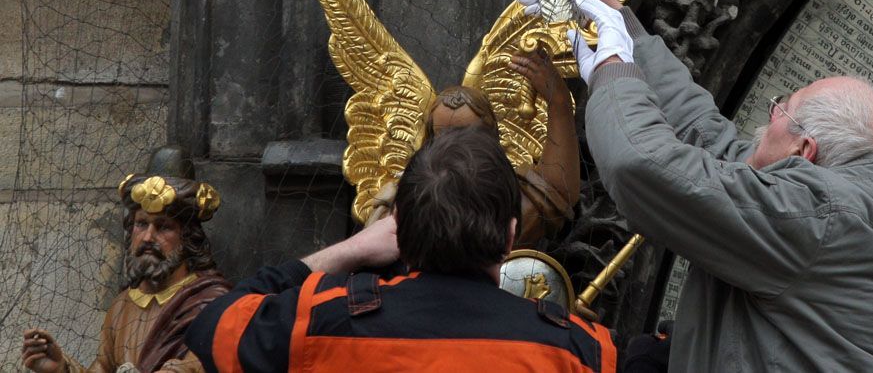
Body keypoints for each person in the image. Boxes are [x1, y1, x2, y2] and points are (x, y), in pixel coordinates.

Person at [511, 0, 873, 371]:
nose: (770, 113)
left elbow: (639, 166)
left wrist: (612, 65)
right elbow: (708, 139)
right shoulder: (840, 208)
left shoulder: (823, 221)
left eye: (782, 109)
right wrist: (615, 17)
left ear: (805, 152)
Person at [185, 126, 616, 372]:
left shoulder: (323, 322)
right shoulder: (578, 350)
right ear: (510, 236)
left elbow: (211, 325)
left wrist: (345, 251)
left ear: (400, 230)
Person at [365, 50, 581, 248]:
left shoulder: (507, 205)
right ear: (428, 141)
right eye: (443, 136)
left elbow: (556, 192)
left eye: (468, 138)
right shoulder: (396, 204)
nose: (454, 148)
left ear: (491, 141)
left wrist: (559, 103)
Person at [22, 174, 231, 373]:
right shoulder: (122, 305)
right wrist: (61, 368)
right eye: (141, 224)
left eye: (163, 227)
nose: (148, 237)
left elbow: (203, 364)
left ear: (187, 238)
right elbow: (103, 368)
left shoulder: (211, 304)